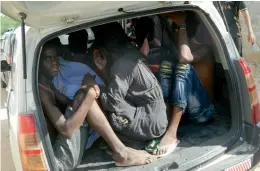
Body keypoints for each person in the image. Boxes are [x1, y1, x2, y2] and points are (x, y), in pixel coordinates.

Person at [38, 40, 157, 170]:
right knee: (85, 98)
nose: (54, 62)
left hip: (67, 152)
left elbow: (69, 103)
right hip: (60, 161)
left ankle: (121, 149)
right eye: (47, 59)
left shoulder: (49, 86)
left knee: (82, 96)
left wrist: (85, 88)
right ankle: (122, 152)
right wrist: (89, 94)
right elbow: (66, 130)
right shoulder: (42, 92)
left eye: (55, 57)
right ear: (37, 63)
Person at [135, 14, 216, 157]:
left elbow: (185, 58)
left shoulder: (205, 47)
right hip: (182, 113)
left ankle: (172, 133)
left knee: (183, 66)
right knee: (166, 65)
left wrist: (181, 24)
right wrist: (166, 21)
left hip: (202, 112)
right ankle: (163, 124)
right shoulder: (181, 44)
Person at [89, 22, 168, 149]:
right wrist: (103, 69)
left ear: (104, 49)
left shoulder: (121, 64)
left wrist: (93, 85)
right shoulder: (133, 54)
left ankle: (128, 141)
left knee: (96, 95)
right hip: (158, 119)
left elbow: (111, 102)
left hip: (149, 123)